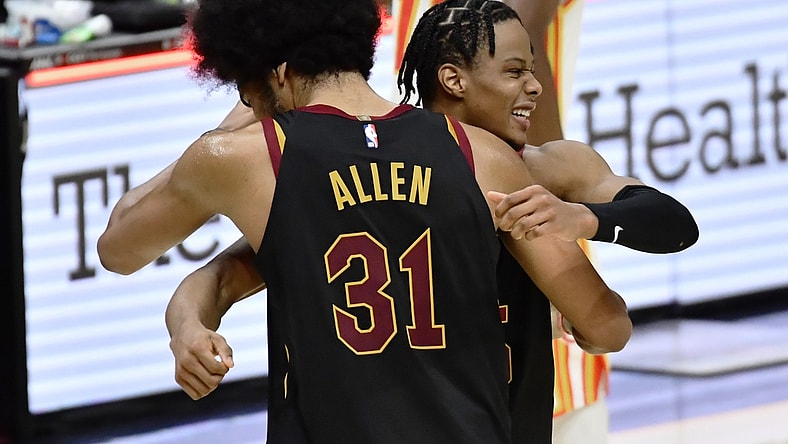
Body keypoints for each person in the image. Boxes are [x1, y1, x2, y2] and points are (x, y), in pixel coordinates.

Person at [97, 0, 632, 442]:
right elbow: (607, 325)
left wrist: (227, 129)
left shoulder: (245, 159)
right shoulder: (483, 155)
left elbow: (118, 248)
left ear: (277, 74)